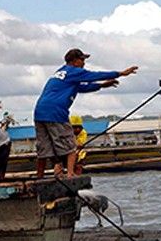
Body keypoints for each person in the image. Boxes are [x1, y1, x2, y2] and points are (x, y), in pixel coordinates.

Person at [33, 48, 138, 178]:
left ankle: (39, 177)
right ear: (74, 61)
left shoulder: (60, 72)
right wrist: (120, 73)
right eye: (82, 60)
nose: (83, 63)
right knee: (71, 146)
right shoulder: (74, 71)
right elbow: (94, 75)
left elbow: (81, 87)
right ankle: (70, 175)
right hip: (56, 112)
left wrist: (101, 86)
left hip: (39, 112)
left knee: (44, 148)